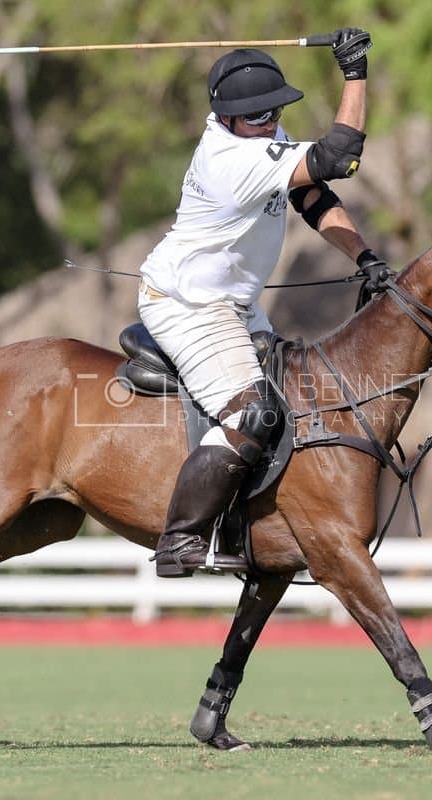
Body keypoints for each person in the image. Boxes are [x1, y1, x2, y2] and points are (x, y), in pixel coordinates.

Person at [138, 28, 388, 578]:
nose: (269, 123)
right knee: (252, 411)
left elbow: (313, 196)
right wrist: (354, 73)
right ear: (226, 118)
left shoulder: (260, 138)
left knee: (294, 403)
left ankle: (250, 523)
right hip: (188, 304)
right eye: (256, 116)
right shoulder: (232, 160)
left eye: (275, 111)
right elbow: (339, 157)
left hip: (235, 304)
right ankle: (180, 540)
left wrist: (364, 256)